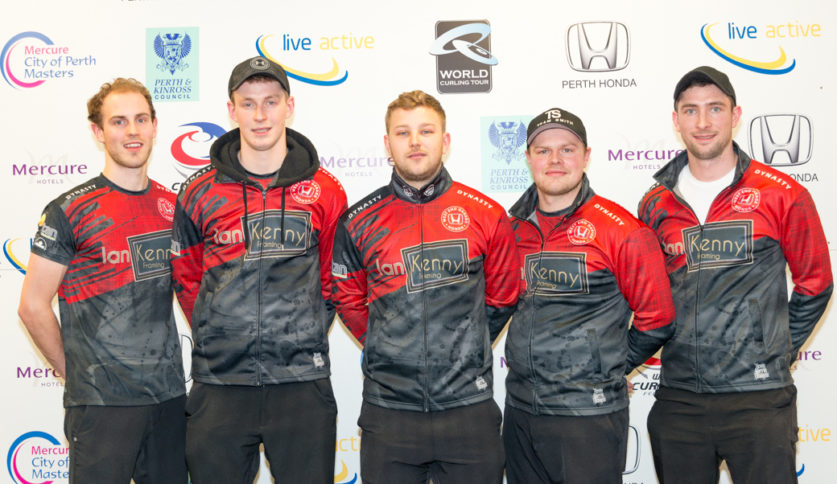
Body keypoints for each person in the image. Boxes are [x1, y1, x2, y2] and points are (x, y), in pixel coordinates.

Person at [638, 66, 833, 483]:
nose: (703, 122)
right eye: (691, 110)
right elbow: (647, 297)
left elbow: (816, 281)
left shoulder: (782, 193)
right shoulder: (655, 202)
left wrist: (775, 349)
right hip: (680, 399)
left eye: (715, 108)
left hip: (759, 398)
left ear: (735, 115)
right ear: (676, 120)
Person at [170, 56, 347, 484]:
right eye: (248, 104)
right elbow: (188, 278)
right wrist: (220, 330)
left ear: (289, 106)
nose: (260, 115)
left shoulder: (325, 190)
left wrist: (299, 333)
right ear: (231, 111)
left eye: (271, 102)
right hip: (220, 382)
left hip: (301, 382)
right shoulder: (198, 191)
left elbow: (333, 280)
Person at [331, 90, 519, 484]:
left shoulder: (486, 214)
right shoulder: (358, 220)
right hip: (389, 411)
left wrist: (463, 346)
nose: (415, 141)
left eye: (426, 131)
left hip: (468, 408)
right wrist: (387, 344)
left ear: (445, 142)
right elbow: (347, 299)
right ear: (388, 145)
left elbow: (502, 297)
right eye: (403, 133)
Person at [17, 78, 187, 483]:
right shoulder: (69, 210)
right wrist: (76, 375)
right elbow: (32, 306)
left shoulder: (173, 206)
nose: (132, 131)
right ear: (98, 132)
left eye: (141, 119)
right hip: (101, 404)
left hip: (168, 399)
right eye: (118, 121)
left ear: (154, 126)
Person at [502, 107, 676, 484]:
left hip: (588, 416)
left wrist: (607, 368)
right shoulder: (511, 231)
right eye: (543, 150)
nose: (555, 160)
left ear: (586, 156)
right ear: (529, 158)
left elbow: (659, 318)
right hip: (520, 410)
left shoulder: (623, 231)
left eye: (567, 149)